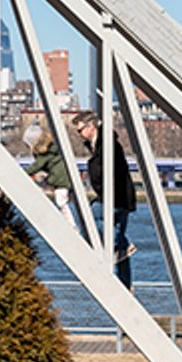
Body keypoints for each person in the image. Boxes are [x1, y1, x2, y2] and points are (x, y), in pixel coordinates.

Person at [72, 110, 137, 289]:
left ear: (91, 127)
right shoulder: (100, 144)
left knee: (90, 217)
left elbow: (110, 169)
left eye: (80, 130)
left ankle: (123, 245)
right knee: (120, 252)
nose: (79, 135)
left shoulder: (107, 144)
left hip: (115, 197)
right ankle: (125, 285)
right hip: (118, 198)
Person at [26, 130, 77, 231]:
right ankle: (70, 222)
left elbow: (36, 167)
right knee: (66, 202)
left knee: (61, 202)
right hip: (66, 179)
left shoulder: (44, 155)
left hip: (60, 181)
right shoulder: (55, 151)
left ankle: (71, 225)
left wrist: (24, 172)